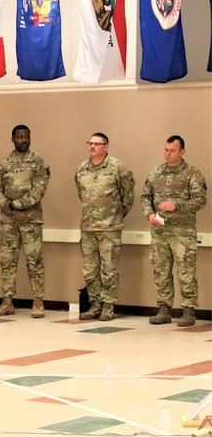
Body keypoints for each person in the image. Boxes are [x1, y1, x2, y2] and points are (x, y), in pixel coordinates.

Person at [141, 135, 208, 327]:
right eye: (165, 150)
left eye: (172, 150)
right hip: (160, 232)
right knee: (160, 271)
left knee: (186, 271)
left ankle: (188, 310)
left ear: (182, 152)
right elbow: (145, 196)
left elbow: (200, 200)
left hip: (182, 232)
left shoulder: (192, 174)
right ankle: (163, 309)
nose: (167, 154)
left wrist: (175, 205)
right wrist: (149, 214)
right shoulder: (156, 173)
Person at [0, 125, 50, 317]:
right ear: (13, 139)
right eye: (20, 137)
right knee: (7, 260)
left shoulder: (38, 162)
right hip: (9, 220)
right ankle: (7, 301)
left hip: (31, 219)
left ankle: (38, 302)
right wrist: (12, 210)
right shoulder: (2, 163)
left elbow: (38, 190)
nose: (24, 140)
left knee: (35, 260)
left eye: (27, 137)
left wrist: (17, 206)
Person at [74, 133, 135, 321]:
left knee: (109, 268)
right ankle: (95, 304)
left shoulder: (118, 168)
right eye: (90, 143)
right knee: (90, 269)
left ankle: (108, 305)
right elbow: (81, 193)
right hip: (88, 227)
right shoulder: (82, 168)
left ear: (106, 147)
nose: (92, 147)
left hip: (110, 227)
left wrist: (115, 215)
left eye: (97, 144)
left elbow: (128, 196)